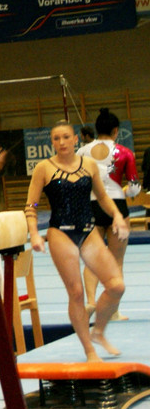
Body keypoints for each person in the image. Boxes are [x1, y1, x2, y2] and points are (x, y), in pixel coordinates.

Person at [24, 120, 127, 361]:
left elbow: (102, 196)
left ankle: (98, 331)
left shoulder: (89, 164)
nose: (61, 142)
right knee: (77, 293)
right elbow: (32, 204)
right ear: (52, 142)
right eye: (56, 138)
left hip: (88, 231)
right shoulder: (44, 168)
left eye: (65, 137)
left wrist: (117, 215)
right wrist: (35, 233)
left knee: (116, 286)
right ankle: (89, 350)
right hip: (60, 232)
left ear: (75, 140)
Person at [77, 108, 140, 319]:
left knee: (92, 259)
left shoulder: (81, 153)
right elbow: (134, 187)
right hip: (117, 207)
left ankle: (91, 302)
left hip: (91, 206)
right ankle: (112, 311)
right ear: (115, 131)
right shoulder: (125, 153)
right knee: (116, 261)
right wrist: (126, 192)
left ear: (96, 130)